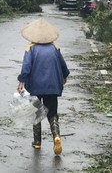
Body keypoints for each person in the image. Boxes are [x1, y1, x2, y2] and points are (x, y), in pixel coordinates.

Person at [16, 18, 70, 155]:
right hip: (52, 86)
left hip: (34, 86)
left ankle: (37, 142)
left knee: (37, 113)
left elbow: (26, 68)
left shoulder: (31, 48)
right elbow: (63, 66)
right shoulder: (55, 48)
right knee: (52, 112)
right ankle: (56, 136)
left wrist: (22, 81)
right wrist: (65, 76)